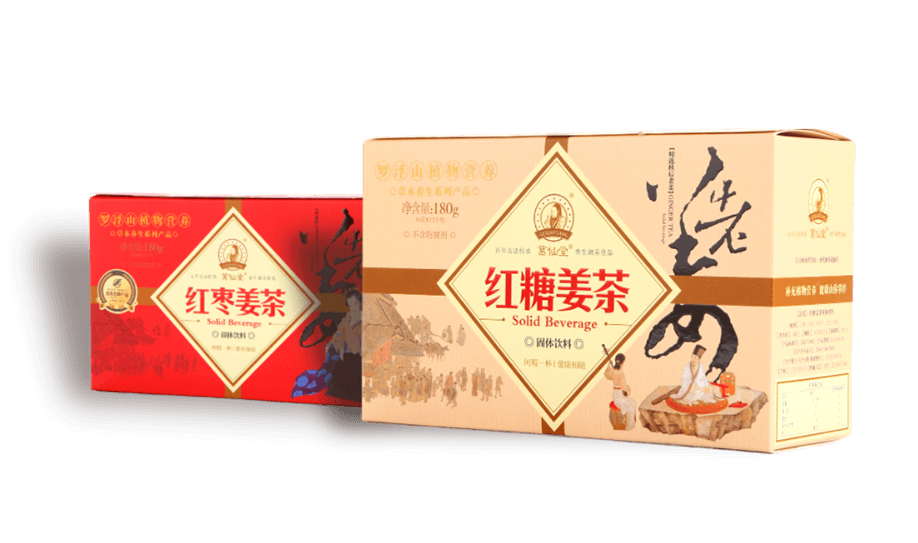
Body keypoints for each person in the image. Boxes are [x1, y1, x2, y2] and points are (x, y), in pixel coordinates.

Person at [604, 353, 637, 430]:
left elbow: (607, 375)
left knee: (630, 403)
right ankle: (630, 423)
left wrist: (609, 365)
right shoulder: (620, 372)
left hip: (615, 394)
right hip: (620, 395)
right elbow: (624, 387)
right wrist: (628, 389)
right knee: (632, 403)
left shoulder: (613, 370)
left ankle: (628, 421)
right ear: (622, 362)